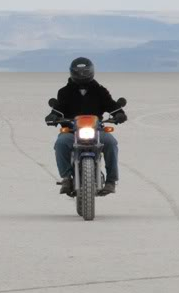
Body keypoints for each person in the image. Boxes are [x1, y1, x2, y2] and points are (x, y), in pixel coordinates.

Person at [45, 57, 126, 195]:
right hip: (71, 131)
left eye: (85, 71)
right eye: (79, 72)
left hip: (97, 130)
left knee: (111, 142)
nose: (82, 74)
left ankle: (111, 181)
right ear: (72, 73)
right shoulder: (64, 92)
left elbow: (111, 105)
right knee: (61, 143)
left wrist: (119, 113)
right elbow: (58, 108)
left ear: (91, 71)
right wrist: (52, 116)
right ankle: (66, 178)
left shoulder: (100, 90)